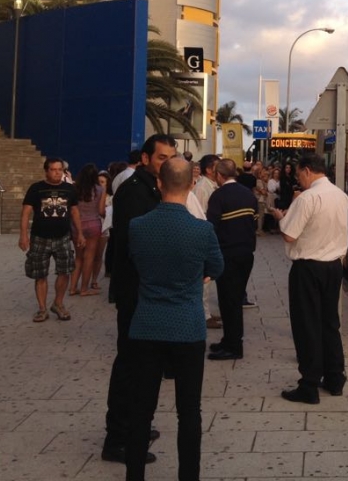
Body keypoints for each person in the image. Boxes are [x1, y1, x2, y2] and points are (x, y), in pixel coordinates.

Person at [125, 158, 223, 481]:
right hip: (187, 327)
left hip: (146, 326)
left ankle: (135, 475)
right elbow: (217, 267)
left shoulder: (138, 227)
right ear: (191, 185)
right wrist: (199, 278)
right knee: (189, 411)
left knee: (140, 408)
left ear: (159, 184)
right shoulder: (202, 230)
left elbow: (133, 265)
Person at [102, 133, 177, 465]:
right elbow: (138, 245)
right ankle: (117, 439)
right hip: (137, 293)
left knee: (144, 364)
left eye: (170, 158)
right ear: (145, 159)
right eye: (161, 157)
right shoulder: (134, 191)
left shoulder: (151, 189)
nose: (167, 163)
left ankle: (135, 425)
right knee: (130, 366)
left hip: (145, 292)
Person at [271, 153, 348, 404]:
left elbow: (289, 236)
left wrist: (281, 218)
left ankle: (309, 385)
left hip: (308, 268)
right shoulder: (341, 195)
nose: (297, 179)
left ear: (306, 170)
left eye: (298, 174)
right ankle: (335, 378)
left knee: (307, 326)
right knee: (329, 323)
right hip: (334, 266)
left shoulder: (307, 198)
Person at [19, 157, 84, 323]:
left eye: (60, 170)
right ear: (46, 171)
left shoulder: (69, 189)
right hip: (40, 237)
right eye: (53, 170)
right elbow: (26, 212)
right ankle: (42, 308)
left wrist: (80, 233)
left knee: (65, 271)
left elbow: (75, 212)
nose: (57, 173)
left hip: (63, 237)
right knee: (40, 274)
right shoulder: (36, 189)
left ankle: (58, 303)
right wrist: (23, 235)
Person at [206, 159, 258, 361]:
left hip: (227, 255)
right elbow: (253, 223)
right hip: (246, 254)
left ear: (219, 175)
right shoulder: (248, 194)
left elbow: (212, 227)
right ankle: (229, 340)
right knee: (234, 299)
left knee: (228, 301)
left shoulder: (218, 196)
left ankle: (234, 347)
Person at [192, 154, 221, 329]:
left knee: (209, 281)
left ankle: (207, 311)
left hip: (210, 236)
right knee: (205, 280)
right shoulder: (203, 188)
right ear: (210, 169)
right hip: (204, 237)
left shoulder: (212, 186)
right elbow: (201, 214)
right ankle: (203, 314)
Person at [69, 163, 106, 296]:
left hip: (77, 225)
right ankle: (84, 288)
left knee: (78, 257)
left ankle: (72, 287)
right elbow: (101, 210)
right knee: (89, 257)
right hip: (94, 224)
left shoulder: (74, 189)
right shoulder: (100, 190)